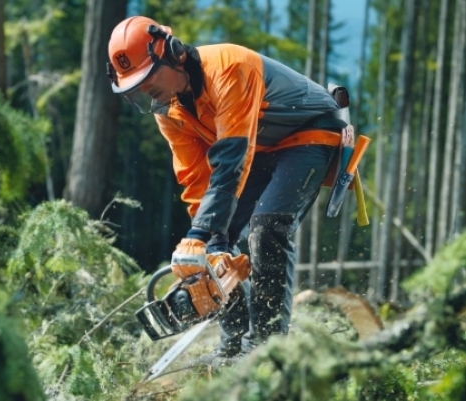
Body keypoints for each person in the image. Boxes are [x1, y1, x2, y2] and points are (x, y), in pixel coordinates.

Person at [107, 16, 351, 363]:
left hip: (310, 133)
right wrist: (207, 242)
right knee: (213, 248)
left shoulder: (229, 68)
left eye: (147, 78)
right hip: (261, 149)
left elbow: (231, 158)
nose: (145, 90)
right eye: (135, 87)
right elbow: (196, 178)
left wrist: (204, 231)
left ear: (173, 54)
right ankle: (233, 342)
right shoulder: (169, 110)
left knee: (266, 229)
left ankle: (268, 348)